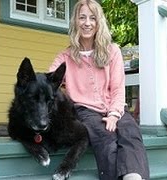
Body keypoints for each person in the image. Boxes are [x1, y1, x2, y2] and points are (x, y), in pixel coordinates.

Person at [49, 0, 150, 179]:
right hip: (85, 110)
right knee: (106, 137)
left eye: (93, 18)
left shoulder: (112, 51)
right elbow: (48, 81)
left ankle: (133, 177)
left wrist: (113, 114)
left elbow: (118, 88)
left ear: (99, 22)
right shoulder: (65, 57)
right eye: (82, 17)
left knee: (130, 131)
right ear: (75, 22)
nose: (87, 23)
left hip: (114, 106)